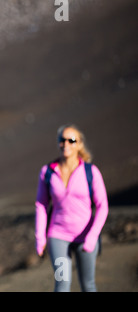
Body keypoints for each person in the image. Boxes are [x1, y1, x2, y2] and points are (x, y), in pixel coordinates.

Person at [35, 124, 109, 292]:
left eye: (71, 140)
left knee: (88, 285)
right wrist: (40, 237)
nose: (66, 144)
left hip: (86, 238)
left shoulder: (91, 172)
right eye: (62, 140)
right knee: (62, 285)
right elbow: (41, 205)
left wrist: (92, 236)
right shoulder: (47, 172)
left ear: (79, 144)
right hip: (58, 237)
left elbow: (102, 206)